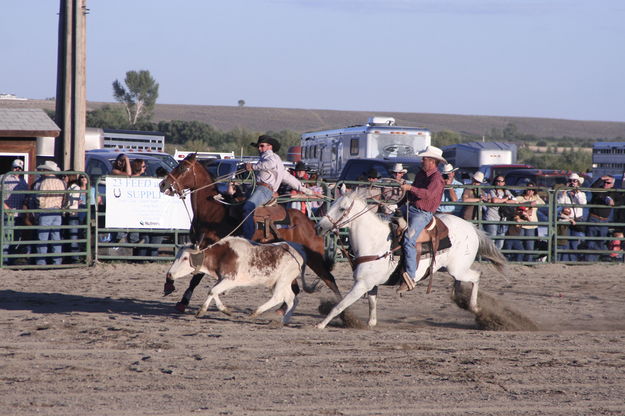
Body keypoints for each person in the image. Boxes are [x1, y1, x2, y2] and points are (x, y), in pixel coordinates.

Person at [242, 135, 314, 239]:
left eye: (262, 146)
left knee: (247, 207)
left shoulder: (271, 157)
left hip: (264, 190)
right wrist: (303, 189)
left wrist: (253, 166)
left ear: (270, 147)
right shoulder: (275, 160)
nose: (259, 148)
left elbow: (269, 164)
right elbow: (288, 178)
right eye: (258, 146)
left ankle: (247, 237)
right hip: (260, 189)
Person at [398, 146, 446, 291]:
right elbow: (415, 192)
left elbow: (428, 195)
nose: (422, 160)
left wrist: (410, 188)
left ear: (432, 161)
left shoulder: (437, 179)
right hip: (411, 207)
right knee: (387, 218)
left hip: (422, 213)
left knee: (409, 239)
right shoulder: (421, 174)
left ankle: (411, 277)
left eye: (424, 158)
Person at [31, 160, 66, 266]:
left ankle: (41, 262)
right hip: (57, 211)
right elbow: (64, 197)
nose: (42, 171)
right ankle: (57, 261)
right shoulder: (60, 182)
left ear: (47, 170)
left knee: (43, 237)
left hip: (46, 210)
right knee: (56, 237)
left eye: (44, 170)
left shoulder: (44, 182)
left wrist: (38, 210)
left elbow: (40, 197)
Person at [1, 159, 29, 264]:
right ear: (11, 167)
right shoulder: (4, 178)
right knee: (6, 237)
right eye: (15, 167)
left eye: (19, 168)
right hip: (7, 212)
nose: (17, 169)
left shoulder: (23, 181)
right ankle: (4, 260)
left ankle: (11, 259)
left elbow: (26, 197)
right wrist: (5, 206)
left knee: (16, 237)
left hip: (19, 213)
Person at [556, 173, 587, 261]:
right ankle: (564, 261)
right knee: (565, 242)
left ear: (578, 183)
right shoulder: (564, 193)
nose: (572, 183)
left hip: (577, 220)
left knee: (575, 242)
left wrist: (576, 192)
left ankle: (573, 261)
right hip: (566, 220)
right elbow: (560, 203)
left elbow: (582, 203)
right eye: (570, 181)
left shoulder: (582, 194)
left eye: (575, 181)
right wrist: (564, 192)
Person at [586, 175, 617, 261]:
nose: (605, 184)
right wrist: (601, 178)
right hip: (594, 217)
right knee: (590, 241)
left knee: (601, 241)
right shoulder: (598, 189)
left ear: (612, 184)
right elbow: (592, 188)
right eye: (605, 182)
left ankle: (595, 260)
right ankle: (589, 261)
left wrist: (611, 201)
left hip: (604, 220)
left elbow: (617, 200)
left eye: (608, 182)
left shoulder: (614, 192)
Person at [514, 182, 545, 262]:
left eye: (532, 190)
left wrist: (532, 202)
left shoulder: (536, 198)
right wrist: (528, 203)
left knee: (530, 246)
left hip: (531, 225)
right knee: (519, 245)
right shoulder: (520, 198)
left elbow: (542, 203)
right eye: (528, 189)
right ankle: (518, 261)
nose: (530, 191)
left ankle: (528, 263)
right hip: (520, 225)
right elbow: (514, 202)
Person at [483, 175, 516, 250]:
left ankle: (495, 258)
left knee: (500, 243)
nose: (499, 183)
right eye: (498, 181)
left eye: (501, 181)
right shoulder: (492, 190)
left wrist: (503, 200)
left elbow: (515, 200)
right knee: (491, 240)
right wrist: (506, 199)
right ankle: (488, 260)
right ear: (495, 182)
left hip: (502, 219)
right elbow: (494, 201)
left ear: (504, 183)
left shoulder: (506, 191)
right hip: (492, 218)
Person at [65, 174, 88, 263]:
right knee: (76, 234)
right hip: (76, 211)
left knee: (75, 234)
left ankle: (75, 257)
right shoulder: (75, 188)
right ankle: (76, 257)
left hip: (75, 212)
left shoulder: (73, 188)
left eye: (66, 176)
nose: (65, 178)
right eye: (81, 177)